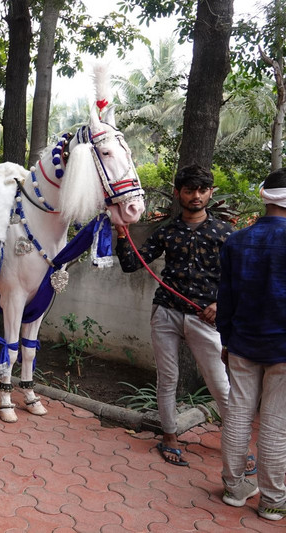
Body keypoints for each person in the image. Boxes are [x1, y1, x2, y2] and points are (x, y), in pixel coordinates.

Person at [115, 164, 254, 470]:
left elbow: (242, 277)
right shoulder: (166, 231)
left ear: (210, 193)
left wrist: (220, 303)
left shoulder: (225, 234)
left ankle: (238, 448)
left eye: (202, 190)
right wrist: (121, 234)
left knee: (221, 386)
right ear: (178, 194)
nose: (196, 196)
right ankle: (170, 438)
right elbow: (130, 265)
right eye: (189, 190)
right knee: (167, 380)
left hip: (205, 319)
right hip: (165, 311)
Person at [216, 169, 286, 520]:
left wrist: (227, 341)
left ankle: (234, 487)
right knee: (276, 423)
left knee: (239, 413)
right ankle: (272, 501)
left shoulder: (236, 240)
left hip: (242, 343)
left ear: (265, 196)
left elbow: (224, 299)